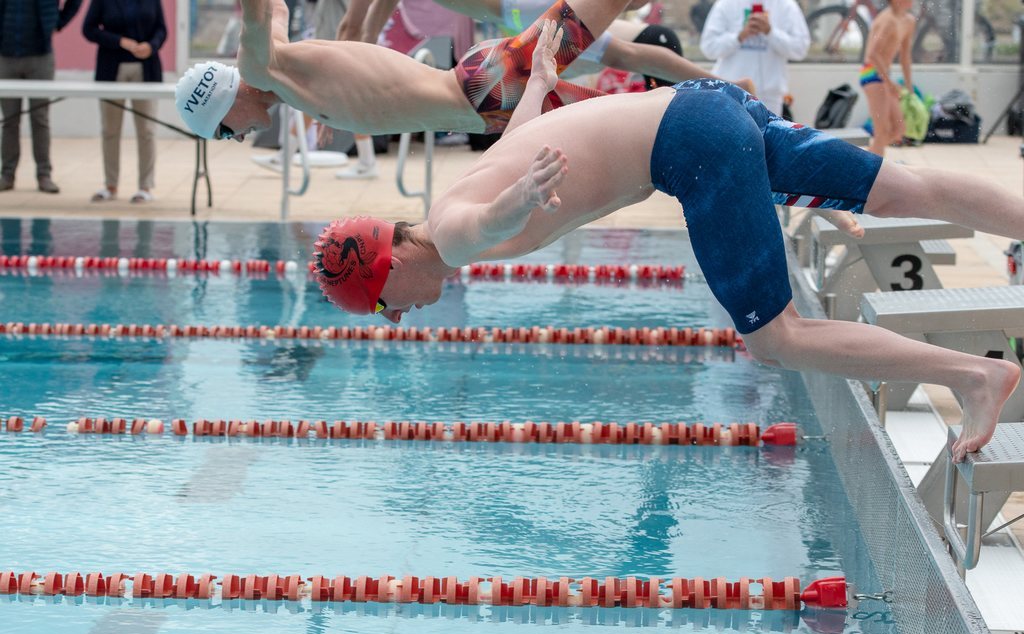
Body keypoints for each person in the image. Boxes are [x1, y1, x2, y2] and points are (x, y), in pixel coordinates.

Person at [313, 21, 1023, 462]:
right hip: (706, 109)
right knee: (901, 189)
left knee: (777, 338)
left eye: (379, 306)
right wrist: (540, 87)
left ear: (388, 264)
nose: (396, 317)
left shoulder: (451, 233)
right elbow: (519, 138)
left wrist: (519, 202)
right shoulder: (447, 200)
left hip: (692, 146)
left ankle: (973, 376)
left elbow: (485, 227)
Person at [174, 0, 717, 142]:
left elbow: (259, 10)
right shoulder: (285, 80)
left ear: (223, 103)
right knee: (653, 123)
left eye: (223, 132)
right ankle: (739, 107)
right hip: (491, 108)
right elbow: (275, 10)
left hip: (488, 87)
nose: (234, 138)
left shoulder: (260, 65)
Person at [336, 0, 734, 92]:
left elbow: (353, 26)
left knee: (625, 51)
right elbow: (358, 27)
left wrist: (363, 42)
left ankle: (724, 85)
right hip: (517, 12)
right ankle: (728, 85)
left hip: (518, 9)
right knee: (626, 54)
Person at [83, 0, 167, 203]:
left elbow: (162, 30)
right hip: (111, 69)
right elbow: (88, 29)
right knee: (110, 129)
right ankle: (110, 185)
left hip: (146, 70)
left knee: (146, 130)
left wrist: (151, 46)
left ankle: (145, 186)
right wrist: (119, 41)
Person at [0, 0, 83, 193]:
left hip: (40, 56)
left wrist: (58, 22)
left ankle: (44, 174)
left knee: (40, 118)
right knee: (10, 120)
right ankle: (7, 174)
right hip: (6, 55)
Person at [699, 0, 809, 117]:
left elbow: (800, 48)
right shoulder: (726, 4)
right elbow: (708, 47)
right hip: (730, 94)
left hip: (770, 98)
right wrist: (739, 37)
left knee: (766, 129)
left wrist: (770, 32)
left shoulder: (786, 5)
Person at [860, 0, 914, 156]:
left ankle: (866, 158)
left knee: (898, 129)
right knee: (882, 131)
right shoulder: (887, 20)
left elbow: (905, 56)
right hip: (872, 73)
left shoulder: (909, 21)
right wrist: (889, 84)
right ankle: (872, 162)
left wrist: (909, 85)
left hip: (884, 75)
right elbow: (873, 54)